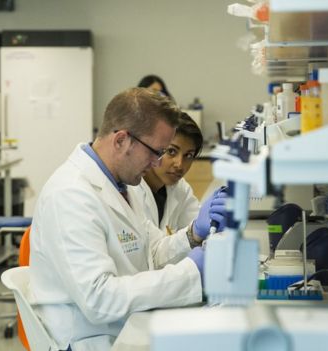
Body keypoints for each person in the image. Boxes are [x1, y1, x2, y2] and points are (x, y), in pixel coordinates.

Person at [29, 88, 204, 351]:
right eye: (156, 152)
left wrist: (192, 237)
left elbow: (151, 251)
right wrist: (190, 274)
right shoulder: (71, 195)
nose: (158, 164)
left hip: (125, 325)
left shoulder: (123, 185)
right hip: (89, 340)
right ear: (121, 140)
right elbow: (99, 299)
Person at [134, 113, 228, 244]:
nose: (179, 164)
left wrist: (216, 225)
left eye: (188, 155)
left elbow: (198, 227)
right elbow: (150, 253)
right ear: (156, 148)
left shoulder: (180, 188)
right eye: (171, 151)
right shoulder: (132, 192)